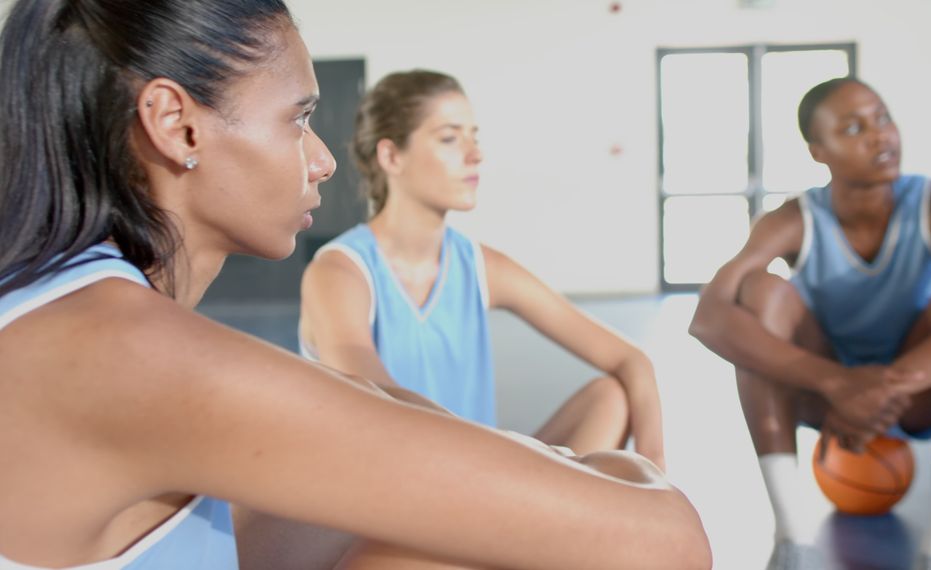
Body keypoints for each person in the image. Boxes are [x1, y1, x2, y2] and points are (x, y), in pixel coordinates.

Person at [0, 2, 711, 569]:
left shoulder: (62, 307)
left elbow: (378, 411)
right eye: (299, 119)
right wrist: (602, 467)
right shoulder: (134, 354)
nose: (320, 161)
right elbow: (666, 538)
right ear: (176, 125)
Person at [689, 77, 931, 570]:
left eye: (882, 118)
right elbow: (708, 317)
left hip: (918, 395)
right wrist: (839, 383)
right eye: (854, 128)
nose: (880, 136)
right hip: (824, 398)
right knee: (758, 294)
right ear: (818, 151)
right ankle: (792, 537)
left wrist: (890, 384)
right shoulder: (791, 219)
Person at [298, 70, 666, 470]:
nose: (475, 155)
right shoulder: (340, 272)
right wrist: (511, 456)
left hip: (477, 482)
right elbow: (382, 409)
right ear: (391, 156)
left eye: (475, 136)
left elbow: (631, 360)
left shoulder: (479, 266)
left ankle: (523, 515)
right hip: (390, 495)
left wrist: (656, 470)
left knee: (611, 397)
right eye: (450, 138)